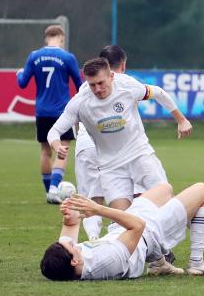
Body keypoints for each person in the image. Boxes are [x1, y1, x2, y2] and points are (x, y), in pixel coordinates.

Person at [47, 56, 191, 211]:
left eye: (101, 83)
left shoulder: (127, 87)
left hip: (139, 155)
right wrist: (57, 146)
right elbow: (54, 131)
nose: (97, 89)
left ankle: (192, 224)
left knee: (165, 204)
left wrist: (181, 120)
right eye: (92, 85)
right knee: (122, 217)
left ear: (111, 76)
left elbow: (159, 93)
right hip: (111, 167)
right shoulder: (80, 102)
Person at [39, 182, 204, 281]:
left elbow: (70, 227)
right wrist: (98, 209)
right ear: (75, 261)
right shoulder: (109, 261)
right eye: (72, 247)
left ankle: (160, 264)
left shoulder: (72, 261)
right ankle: (197, 262)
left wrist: (69, 214)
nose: (73, 244)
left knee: (164, 189)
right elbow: (138, 226)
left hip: (127, 227)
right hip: (150, 232)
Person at [16, 25, 83, 204]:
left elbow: (22, 83)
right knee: (63, 149)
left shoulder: (34, 56)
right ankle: (54, 189)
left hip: (42, 111)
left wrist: (19, 74)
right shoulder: (68, 57)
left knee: (45, 151)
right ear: (62, 38)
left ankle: (49, 192)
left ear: (46, 38)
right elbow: (80, 85)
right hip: (62, 112)